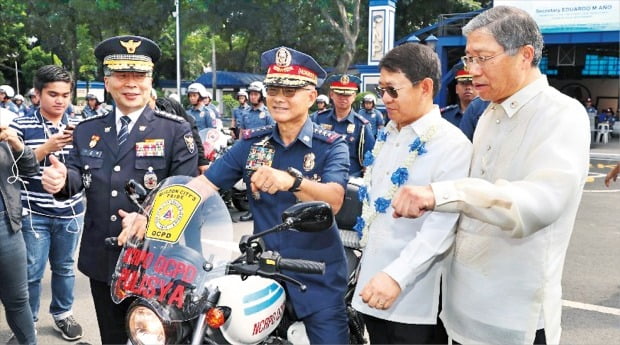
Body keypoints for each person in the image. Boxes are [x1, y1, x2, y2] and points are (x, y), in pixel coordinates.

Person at [121, 46, 351, 344]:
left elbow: (333, 200)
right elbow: (202, 187)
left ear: (310, 95)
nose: (279, 97)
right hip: (262, 271)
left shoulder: (331, 145)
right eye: (273, 88)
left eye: (290, 90)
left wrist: (292, 182)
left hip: (317, 276)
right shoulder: (252, 144)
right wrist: (150, 214)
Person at [389, 6, 590, 344]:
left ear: (525, 55)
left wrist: (442, 194)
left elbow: (538, 204)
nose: (472, 71)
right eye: (468, 59)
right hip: (460, 315)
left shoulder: (560, 115)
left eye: (483, 58)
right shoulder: (488, 115)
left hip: (513, 322)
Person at [40, 35, 198, 345]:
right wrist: (61, 182)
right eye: (122, 75)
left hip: (158, 261)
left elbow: (186, 193)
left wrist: (150, 219)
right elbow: (78, 177)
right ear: (107, 81)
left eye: (139, 75)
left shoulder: (174, 129)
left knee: (157, 338)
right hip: (105, 258)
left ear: (150, 80)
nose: (131, 83)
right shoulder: (88, 129)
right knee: (112, 338)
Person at [351, 43, 472, 344]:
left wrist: (396, 276)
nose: (385, 100)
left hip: (413, 299)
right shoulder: (389, 134)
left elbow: (441, 229)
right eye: (381, 91)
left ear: (425, 87)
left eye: (393, 90)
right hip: (373, 288)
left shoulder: (451, 146)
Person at [11, 65, 86, 341]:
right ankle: (27, 322)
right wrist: (46, 149)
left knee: (65, 267)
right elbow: (12, 169)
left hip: (71, 212)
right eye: (53, 94)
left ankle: (62, 314)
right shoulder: (20, 125)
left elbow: (88, 168)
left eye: (65, 95)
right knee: (31, 272)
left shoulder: (82, 126)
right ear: (37, 94)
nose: (60, 100)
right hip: (34, 212)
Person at [0, 116, 39, 345]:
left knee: (17, 299)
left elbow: (31, 168)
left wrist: (17, 144)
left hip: (7, 224)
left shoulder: (5, 135)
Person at [312, 74, 375, 177]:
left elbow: (370, 158)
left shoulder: (362, 125)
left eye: (347, 95)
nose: (343, 98)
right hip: (320, 177)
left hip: (349, 180)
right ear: (331, 94)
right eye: (339, 94)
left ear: (354, 96)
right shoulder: (318, 119)